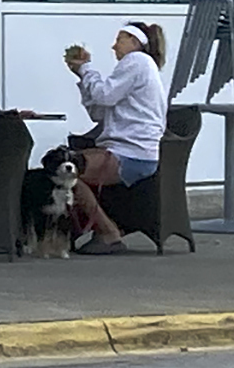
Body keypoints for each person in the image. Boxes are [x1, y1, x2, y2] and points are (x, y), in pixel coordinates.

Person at [61, 23, 170, 248]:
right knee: (71, 162)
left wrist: (87, 70)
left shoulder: (137, 61)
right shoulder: (139, 68)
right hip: (132, 151)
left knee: (67, 172)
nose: (114, 46)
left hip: (130, 152)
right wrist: (83, 79)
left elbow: (105, 96)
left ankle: (108, 231)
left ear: (134, 41)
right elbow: (98, 111)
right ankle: (95, 227)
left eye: (119, 39)